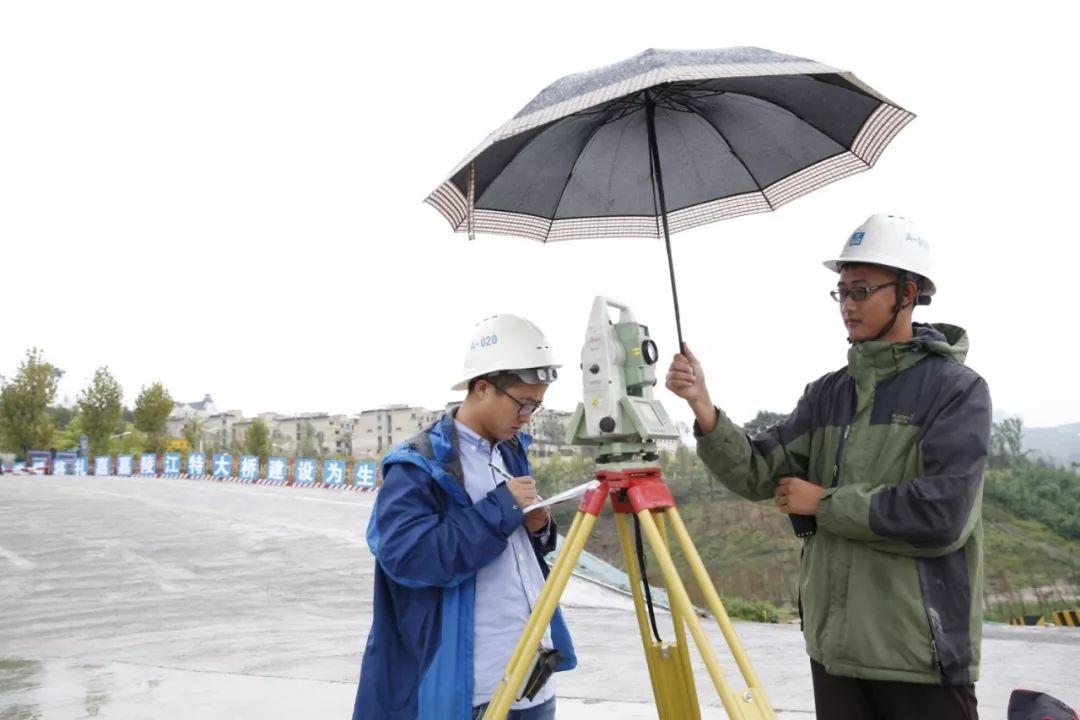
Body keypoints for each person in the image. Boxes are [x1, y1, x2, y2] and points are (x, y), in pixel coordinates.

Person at [666, 214, 990, 719]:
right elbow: (758, 471)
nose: (847, 305)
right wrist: (703, 407)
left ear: (907, 294)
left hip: (916, 657)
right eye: (841, 292)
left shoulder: (956, 390)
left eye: (862, 290)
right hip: (834, 653)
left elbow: (943, 515)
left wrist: (825, 503)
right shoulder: (827, 394)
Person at [353, 314, 576, 720]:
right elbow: (409, 557)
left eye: (537, 406)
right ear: (482, 387)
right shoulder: (417, 466)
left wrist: (539, 529)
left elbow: (517, 555)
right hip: (476, 694)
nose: (528, 415)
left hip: (534, 684)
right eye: (523, 403)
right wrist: (501, 508)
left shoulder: (510, 451)